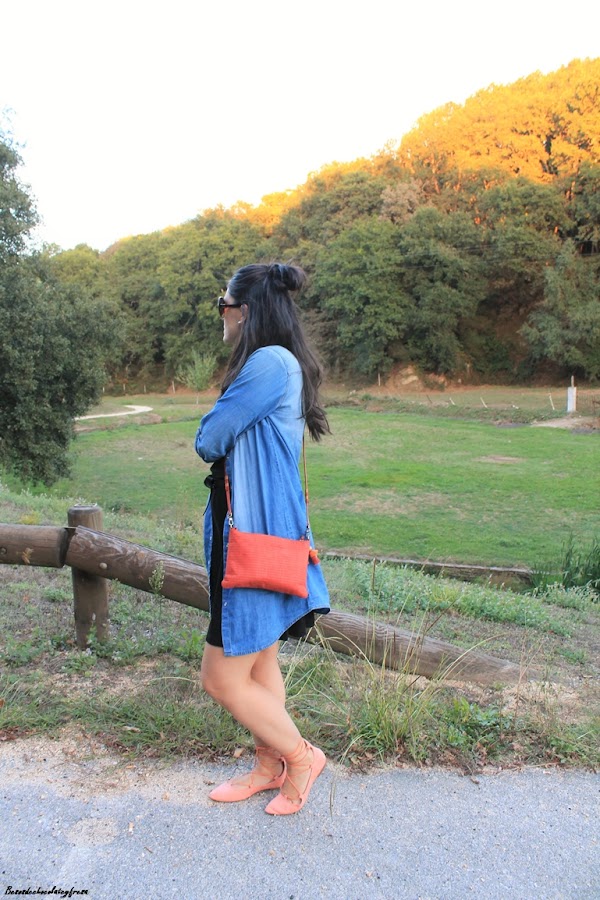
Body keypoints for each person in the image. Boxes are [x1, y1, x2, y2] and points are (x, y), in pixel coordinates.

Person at [195, 262, 331, 816]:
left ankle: (300, 757)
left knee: (221, 678)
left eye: (223, 305)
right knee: (258, 665)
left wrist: (215, 423)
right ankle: (268, 766)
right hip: (263, 537)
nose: (221, 314)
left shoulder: (269, 363)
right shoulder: (280, 362)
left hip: (250, 542)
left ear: (244, 311)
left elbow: (209, 439)